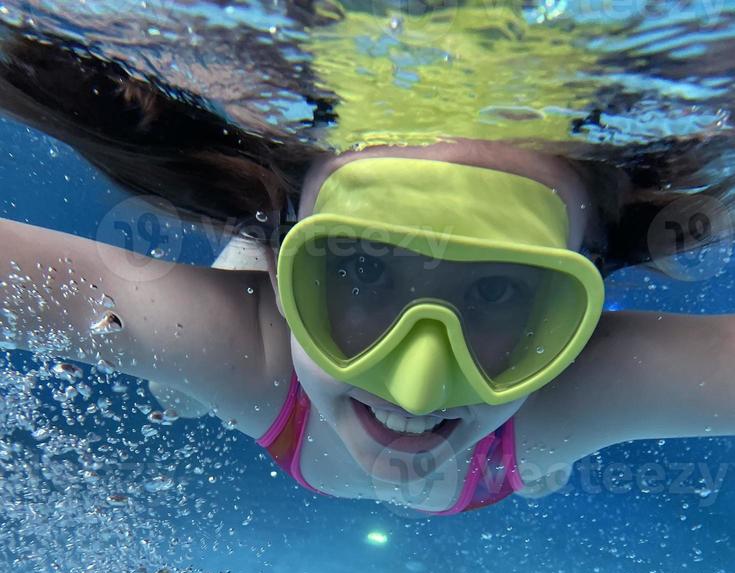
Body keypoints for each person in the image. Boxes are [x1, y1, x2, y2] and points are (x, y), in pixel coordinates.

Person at [0, 29, 732, 516]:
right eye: (355, 267)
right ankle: (264, 249)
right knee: (177, 380)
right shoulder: (244, 354)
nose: (412, 388)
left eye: (498, 288)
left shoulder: (573, 392)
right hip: (282, 309)